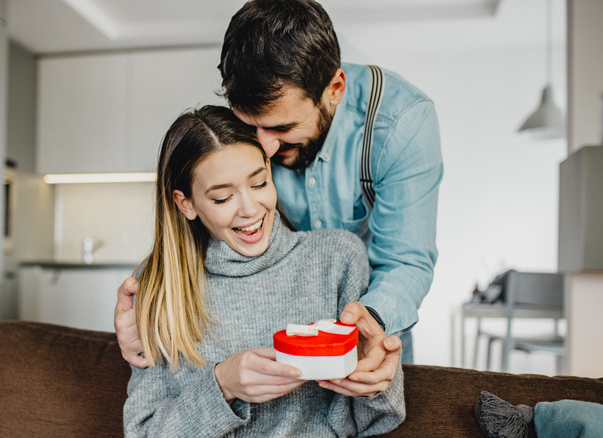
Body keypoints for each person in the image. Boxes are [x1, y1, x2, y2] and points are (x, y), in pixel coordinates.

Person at [116, 0, 442, 393]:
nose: (265, 148)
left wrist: (368, 325)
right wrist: (149, 307)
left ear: (334, 89)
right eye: (251, 126)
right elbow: (206, 214)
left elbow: (405, 261)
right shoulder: (256, 125)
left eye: (282, 127)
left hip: (370, 324)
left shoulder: (400, 124)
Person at [123, 105, 404, 437]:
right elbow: (142, 433)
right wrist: (222, 387)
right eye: (223, 198)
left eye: (259, 183)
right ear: (186, 204)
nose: (250, 209)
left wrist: (377, 382)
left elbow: (377, 419)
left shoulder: (337, 259)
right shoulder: (159, 284)